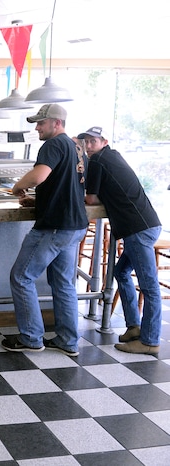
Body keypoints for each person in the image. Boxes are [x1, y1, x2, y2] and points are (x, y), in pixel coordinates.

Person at [2, 104, 88, 357]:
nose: (37, 127)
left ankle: (30, 337)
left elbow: (39, 175)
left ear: (57, 123)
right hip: (75, 224)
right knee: (63, 283)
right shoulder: (77, 147)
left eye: (41, 123)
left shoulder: (52, 145)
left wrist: (18, 186)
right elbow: (68, 184)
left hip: (55, 226)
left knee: (21, 277)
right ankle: (68, 340)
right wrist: (39, 201)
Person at [80, 126, 163, 354]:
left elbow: (90, 198)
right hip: (147, 225)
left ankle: (150, 341)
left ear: (103, 141)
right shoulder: (112, 156)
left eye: (92, 141)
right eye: (85, 141)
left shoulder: (98, 161)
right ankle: (134, 327)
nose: (88, 146)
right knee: (121, 272)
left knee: (150, 288)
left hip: (137, 230)